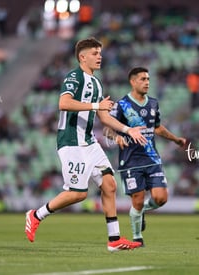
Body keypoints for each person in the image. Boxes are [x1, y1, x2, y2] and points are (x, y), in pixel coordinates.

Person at [24, 37, 147, 252]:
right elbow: (63, 103)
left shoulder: (97, 83)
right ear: (82, 57)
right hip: (71, 141)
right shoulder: (74, 76)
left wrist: (128, 130)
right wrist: (95, 105)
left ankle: (114, 240)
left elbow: (104, 117)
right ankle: (36, 215)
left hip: (89, 142)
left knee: (109, 184)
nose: (99, 57)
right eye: (94, 53)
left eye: (100, 53)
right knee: (78, 193)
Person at [106, 67, 186, 246]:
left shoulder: (153, 104)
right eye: (142, 79)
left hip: (152, 158)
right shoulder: (122, 105)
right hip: (130, 160)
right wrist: (117, 137)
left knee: (161, 198)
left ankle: (141, 212)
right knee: (137, 200)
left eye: (148, 79)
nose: (147, 82)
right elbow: (107, 129)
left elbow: (157, 127)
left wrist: (175, 139)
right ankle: (137, 238)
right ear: (133, 82)